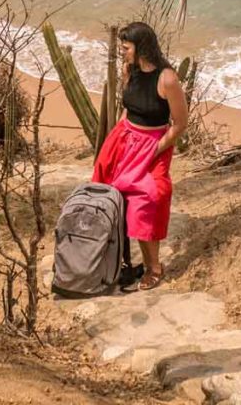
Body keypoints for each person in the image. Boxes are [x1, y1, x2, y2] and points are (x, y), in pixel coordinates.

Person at [92, 21, 188, 291]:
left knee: (148, 199)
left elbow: (179, 125)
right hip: (125, 138)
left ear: (141, 47)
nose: (122, 52)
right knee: (111, 195)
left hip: (154, 144)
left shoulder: (167, 78)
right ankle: (116, 260)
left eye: (126, 47)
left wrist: (153, 151)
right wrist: (118, 137)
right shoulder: (128, 71)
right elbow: (128, 107)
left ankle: (153, 267)